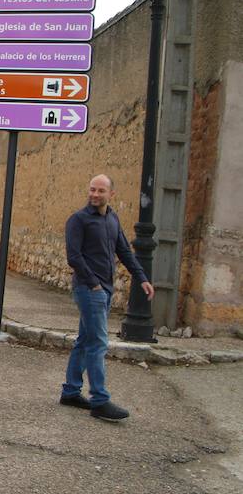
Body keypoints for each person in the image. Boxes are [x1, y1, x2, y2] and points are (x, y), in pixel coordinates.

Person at [61, 174, 154, 422]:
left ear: (111, 194)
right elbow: (74, 257)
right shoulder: (78, 220)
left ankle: (70, 391)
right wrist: (93, 285)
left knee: (85, 340)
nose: (95, 194)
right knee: (98, 343)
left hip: (104, 289)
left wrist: (142, 277)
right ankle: (100, 400)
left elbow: (124, 250)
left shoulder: (112, 219)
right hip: (89, 290)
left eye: (101, 191)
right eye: (92, 189)